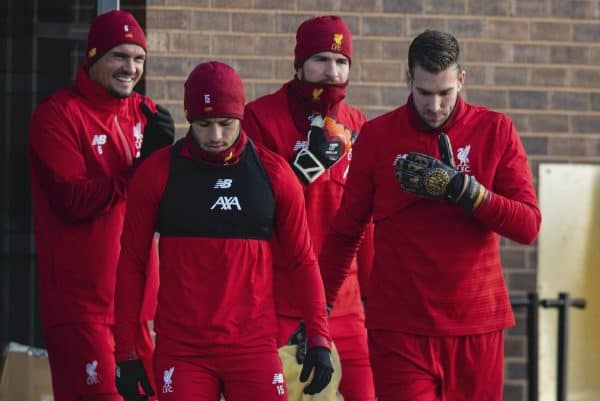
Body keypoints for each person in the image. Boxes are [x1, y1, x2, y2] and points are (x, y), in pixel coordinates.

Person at [319, 30, 542, 401]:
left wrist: (468, 192)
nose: (435, 106)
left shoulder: (495, 130)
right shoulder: (377, 136)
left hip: (477, 323)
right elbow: (346, 230)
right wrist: (318, 311)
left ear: (461, 79)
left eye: (445, 93)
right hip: (400, 327)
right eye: (424, 93)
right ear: (408, 79)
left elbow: (528, 226)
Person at [112, 61, 333, 401]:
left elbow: (303, 261)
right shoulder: (158, 175)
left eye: (225, 123)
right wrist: (125, 352)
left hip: (253, 348)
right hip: (183, 352)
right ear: (190, 119)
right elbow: (132, 263)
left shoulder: (274, 176)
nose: (215, 136)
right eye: (204, 124)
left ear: (241, 117)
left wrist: (319, 338)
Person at [28, 10, 174, 401]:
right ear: (93, 57)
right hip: (82, 306)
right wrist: (140, 170)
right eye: (118, 56)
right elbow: (72, 199)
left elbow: (166, 205)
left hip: (139, 305)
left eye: (138, 58)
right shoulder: (57, 115)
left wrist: (171, 165)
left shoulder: (147, 113)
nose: (130, 67)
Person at [242, 15, 375, 401]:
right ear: (298, 64)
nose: (331, 72)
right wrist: (301, 170)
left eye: (341, 62)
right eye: (321, 60)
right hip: (280, 302)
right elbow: (252, 211)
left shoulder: (356, 123)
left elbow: (365, 221)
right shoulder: (259, 118)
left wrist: (372, 294)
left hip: (345, 304)